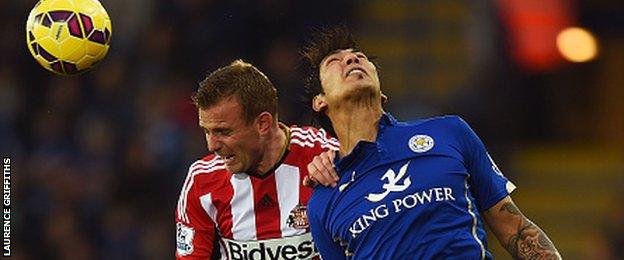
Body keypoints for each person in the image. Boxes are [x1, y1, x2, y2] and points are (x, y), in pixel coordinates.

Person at [302, 26, 561, 259]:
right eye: (334, 62)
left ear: (382, 93)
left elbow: (513, 227)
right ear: (320, 101)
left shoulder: (449, 131)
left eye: (360, 57)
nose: (352, 59)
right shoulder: (323, 201)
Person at [175, 60, 339, 259]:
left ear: (263, 123)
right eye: (206, 131)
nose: (212, 146)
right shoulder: (202, 182)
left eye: (223, 131)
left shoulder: (327, 156)